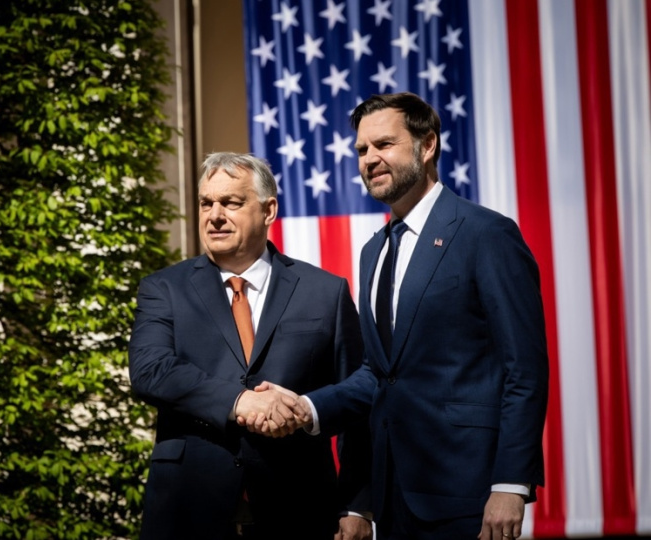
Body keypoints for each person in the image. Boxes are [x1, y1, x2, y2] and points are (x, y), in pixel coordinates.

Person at [243, 93, 549, 540]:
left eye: (384, 144)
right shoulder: (374, 251)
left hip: (470, 494)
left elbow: (525, 369)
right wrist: (307, 408)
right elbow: (379, 375)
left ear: (428, 146)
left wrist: (510, 484)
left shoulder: (487, 234)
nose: (369, 159)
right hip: (393, 498)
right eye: (362, 149)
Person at [128, 152, 372, 540]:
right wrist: (239, 401)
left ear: (268, 210)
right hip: (189, 506)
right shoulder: (164, 289)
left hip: (298, 507)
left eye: (231, 202)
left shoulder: (325, 291)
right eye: (206, 203)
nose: (214, 215)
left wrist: (358, 505)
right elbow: (150, 370)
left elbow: (357, 398)